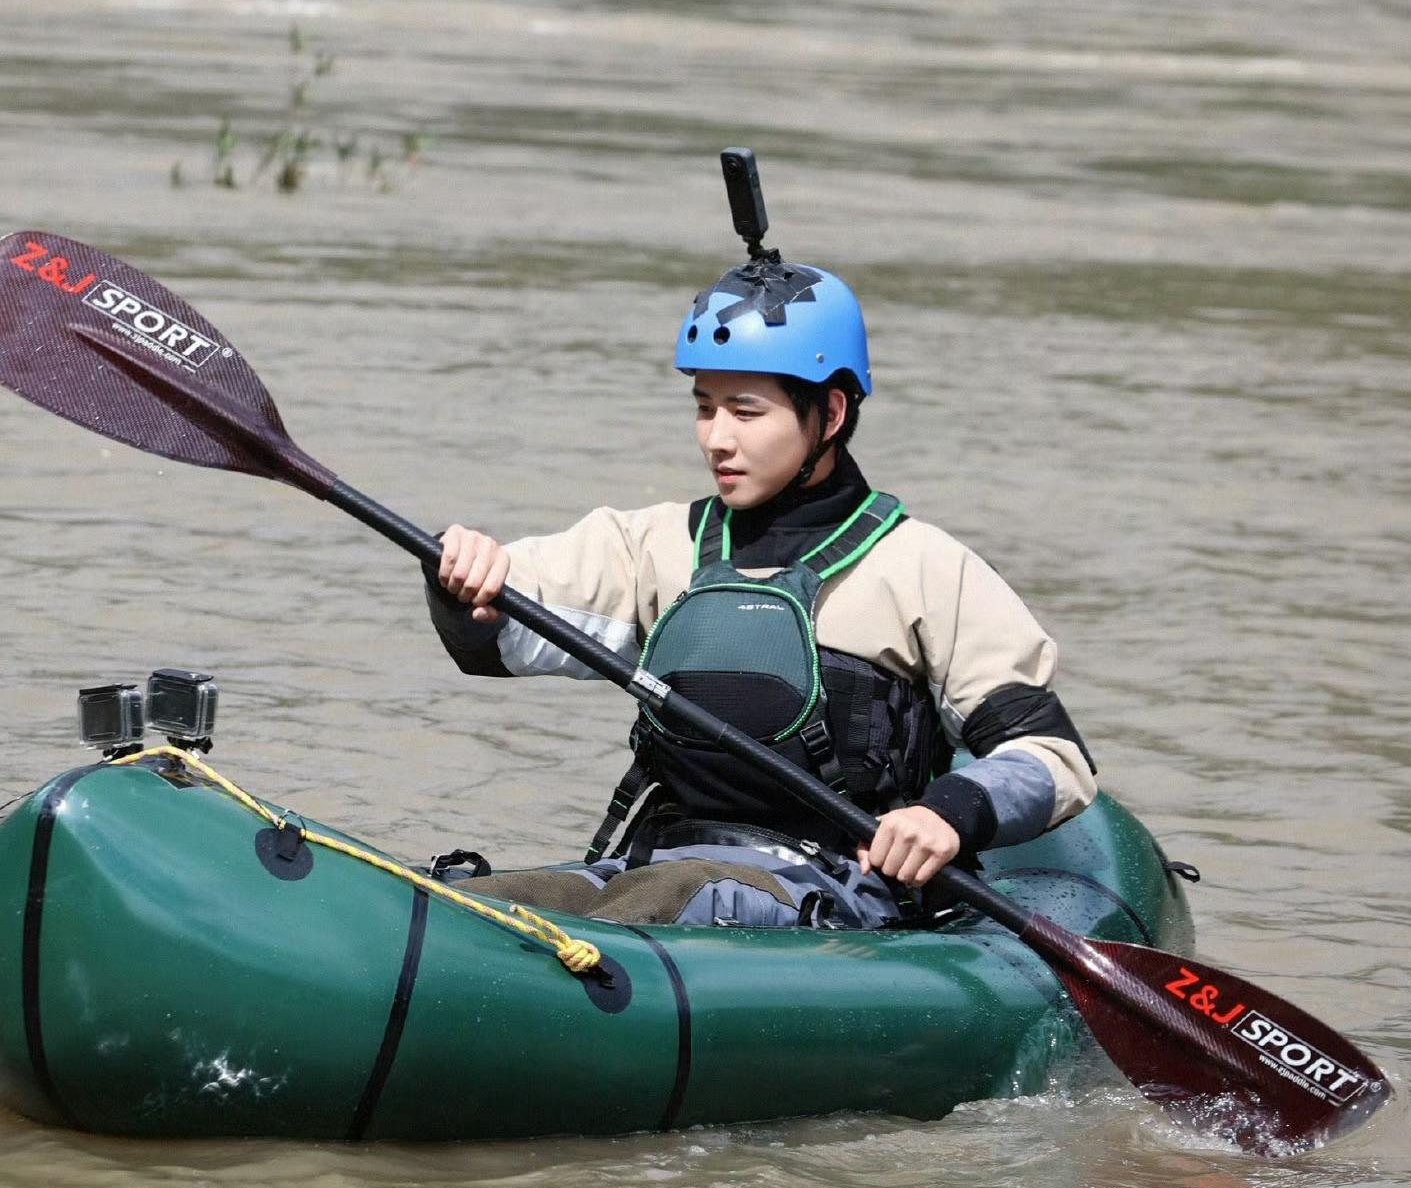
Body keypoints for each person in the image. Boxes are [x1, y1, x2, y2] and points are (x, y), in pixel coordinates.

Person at [426, 165, 1095, 934]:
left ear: (831, 412)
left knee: (678, 896)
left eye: (746, 410)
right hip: (659, 868)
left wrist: (951, 812)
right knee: (474, 902)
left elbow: (1051, 756)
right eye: (705, 408)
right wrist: (462, 578)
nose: (718, 437)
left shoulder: (923, 569)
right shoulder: (656, 544)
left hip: (832, 890)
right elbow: (503, 632)